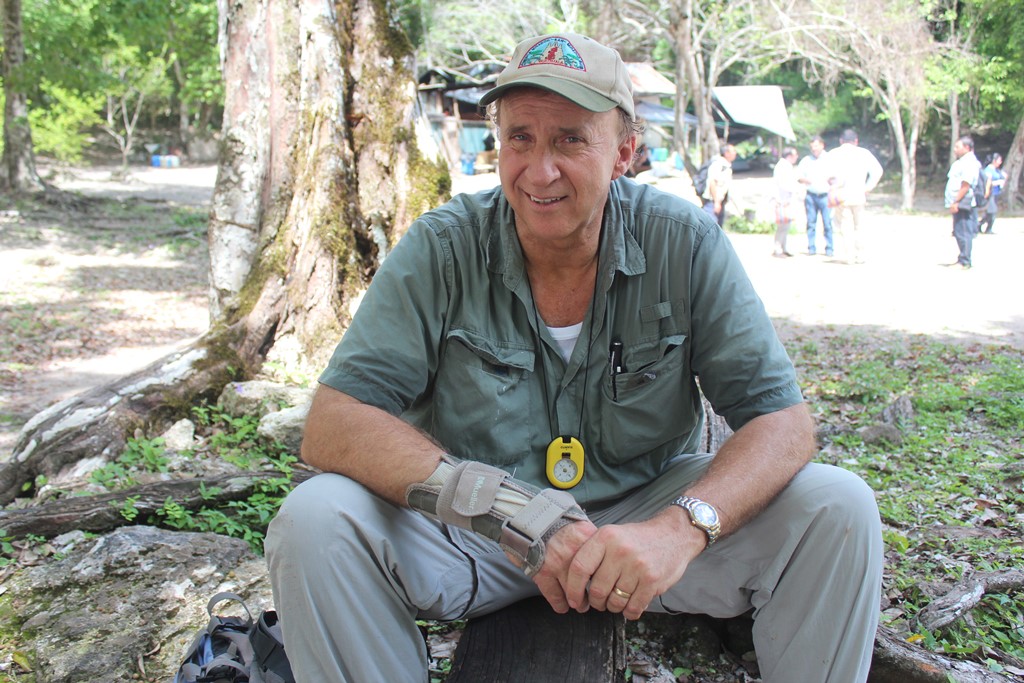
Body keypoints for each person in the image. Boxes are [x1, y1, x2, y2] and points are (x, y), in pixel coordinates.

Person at [265, 32, 882, 683]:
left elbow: (783, 422)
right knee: (314, 520)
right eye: (520, 137)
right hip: (480, 529)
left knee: (838, 506)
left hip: (641, 526)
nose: (540, 170)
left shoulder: (684, 242)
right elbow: (334, 420)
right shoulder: (442, 249)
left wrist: (679, 530)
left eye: (569, 140)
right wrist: (511, 512)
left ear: (623, 152)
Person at [826, 129, 883, 263]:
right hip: (858, 194)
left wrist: (831, 186)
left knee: (845, 226)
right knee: (859, 226)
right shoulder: (864, 153)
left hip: (841, 195)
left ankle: (849, 256)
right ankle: (860, 254)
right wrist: (868, 187)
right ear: (856, 141)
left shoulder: (833, 153)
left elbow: (827, 175)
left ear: (841, 141)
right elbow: (877, 171)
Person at [945, 135, 982, 269]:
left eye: (957, 147)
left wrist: (956, 201)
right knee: (959, 230)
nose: (955, 149)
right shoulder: (962, 161)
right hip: (959, 200)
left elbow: (965, 185)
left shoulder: (969, 163)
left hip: (963, 201)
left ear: (966, 147)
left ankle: (965, 261)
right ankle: (962, 258)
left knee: (964, 231)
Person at [797, 135, 833, 256]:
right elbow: (799, 176)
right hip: (811, 195)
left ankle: (829, 248)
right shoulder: (806, 160)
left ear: (822, 145)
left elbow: (836, 175)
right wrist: (805, 180)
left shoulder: (829, 159)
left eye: (816, 146)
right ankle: (811, 247)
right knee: (811, 223)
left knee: (827, 223)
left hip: (825, 195)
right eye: (812, 147)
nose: (814, 149)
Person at [771, 146, 800, 257]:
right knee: (782, 226)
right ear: (790, 156)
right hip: (782, 200)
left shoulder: (786, 165)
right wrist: (795, 189)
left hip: (786, 199)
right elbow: (784, 184)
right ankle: (778, 248)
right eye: (795, 155)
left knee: (786, 225)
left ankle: (784, 247)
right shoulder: (783, 166)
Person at [701, 143, 737, 227]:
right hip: (712, 202)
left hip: (720, 201)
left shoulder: (726, 166)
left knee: (718, 228)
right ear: (726, 153)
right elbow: (712, 182)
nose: (735, 153)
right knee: (710, 227)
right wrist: (716, 202)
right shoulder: (718, 164)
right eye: (733, 151)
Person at [979, 152, 1005, 235]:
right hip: (990, 194)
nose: (1000, 162)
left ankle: (980, 225)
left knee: (990, 211)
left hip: (996, 193)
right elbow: (987, 182)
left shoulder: (996, 170)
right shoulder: (988, 170)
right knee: (992, 211)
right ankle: (987, 228)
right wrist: (997, 182)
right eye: (999, 160)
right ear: (994, 160)